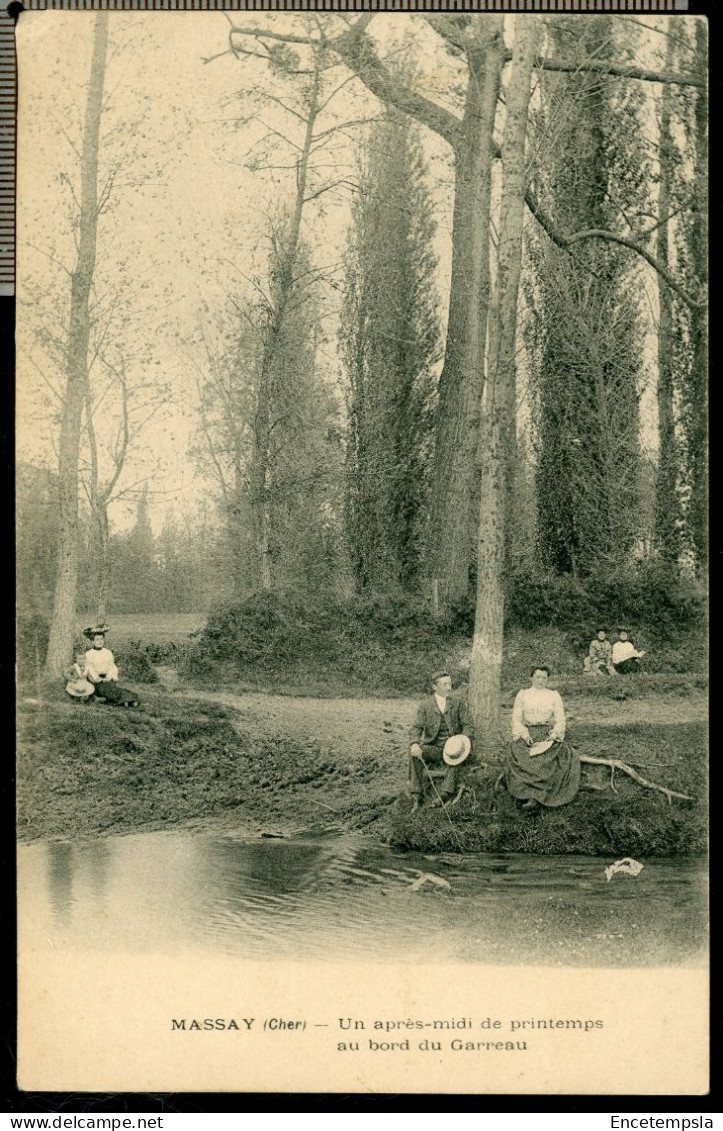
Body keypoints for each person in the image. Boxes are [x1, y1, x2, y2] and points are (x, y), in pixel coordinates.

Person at [505, 665, 580, 810]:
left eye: (544, 677)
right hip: (528, 731)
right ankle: (528, 795)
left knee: (554, 756)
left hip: (546, 732)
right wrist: (524, 733)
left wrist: (554, 734)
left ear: (548, 679)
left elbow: (560, 719)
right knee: (519, 752)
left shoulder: (553, 695)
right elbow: (516, 718)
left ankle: (542, 795)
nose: (541, 680)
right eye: (538, 677)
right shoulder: (523, 694)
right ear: (531, 678)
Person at [408, 670, 474, 811]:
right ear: (434, 687)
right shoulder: (425, 705)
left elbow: (468, 725)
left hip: (454, 747)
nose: (449, 687)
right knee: (416, 753)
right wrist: (414, 743)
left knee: (457, 757)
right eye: (445, 684)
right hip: (435, 747)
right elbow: (416, 727)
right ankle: (416, 796)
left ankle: (444, 794)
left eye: (450, 684)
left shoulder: (458, 703)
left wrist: (462, 740)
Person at [83, 626, 141, 707]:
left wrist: (109, 676)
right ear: (92, 641)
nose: (100, 642)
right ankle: (128, 700)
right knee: (107, 691)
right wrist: (98, 679)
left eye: (101, 639)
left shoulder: (108, 652)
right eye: (97, 640)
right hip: (96, 681)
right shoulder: (89, 654)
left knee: (112, 689)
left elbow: (111, 666)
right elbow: (90, 669)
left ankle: (128, 700)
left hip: (107, 678)